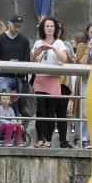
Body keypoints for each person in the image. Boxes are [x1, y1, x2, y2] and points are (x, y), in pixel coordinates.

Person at [31, 18, 70, 148]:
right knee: (40, 110)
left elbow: (64, 59)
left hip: (53, 79)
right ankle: (39, 138)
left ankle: (48, 139)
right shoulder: (37, 42)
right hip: (40, 79)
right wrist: (36, 53)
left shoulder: (59, 43)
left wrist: (52, 48)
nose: (49, 28)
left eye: (51, 26)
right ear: (43, 28)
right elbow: (32, 60)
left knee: (50, 111)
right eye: (46, 26)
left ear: (55, 28)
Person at [0, 14, 31, 93]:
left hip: (20, 78)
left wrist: (18, 64)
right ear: (9, 23)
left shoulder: (25, 40)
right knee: (5, 103)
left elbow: (27, 60)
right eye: (15, 26)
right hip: (3, 77)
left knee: (20, 104)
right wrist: (8, 64)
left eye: (20, 27)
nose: (17, 29)